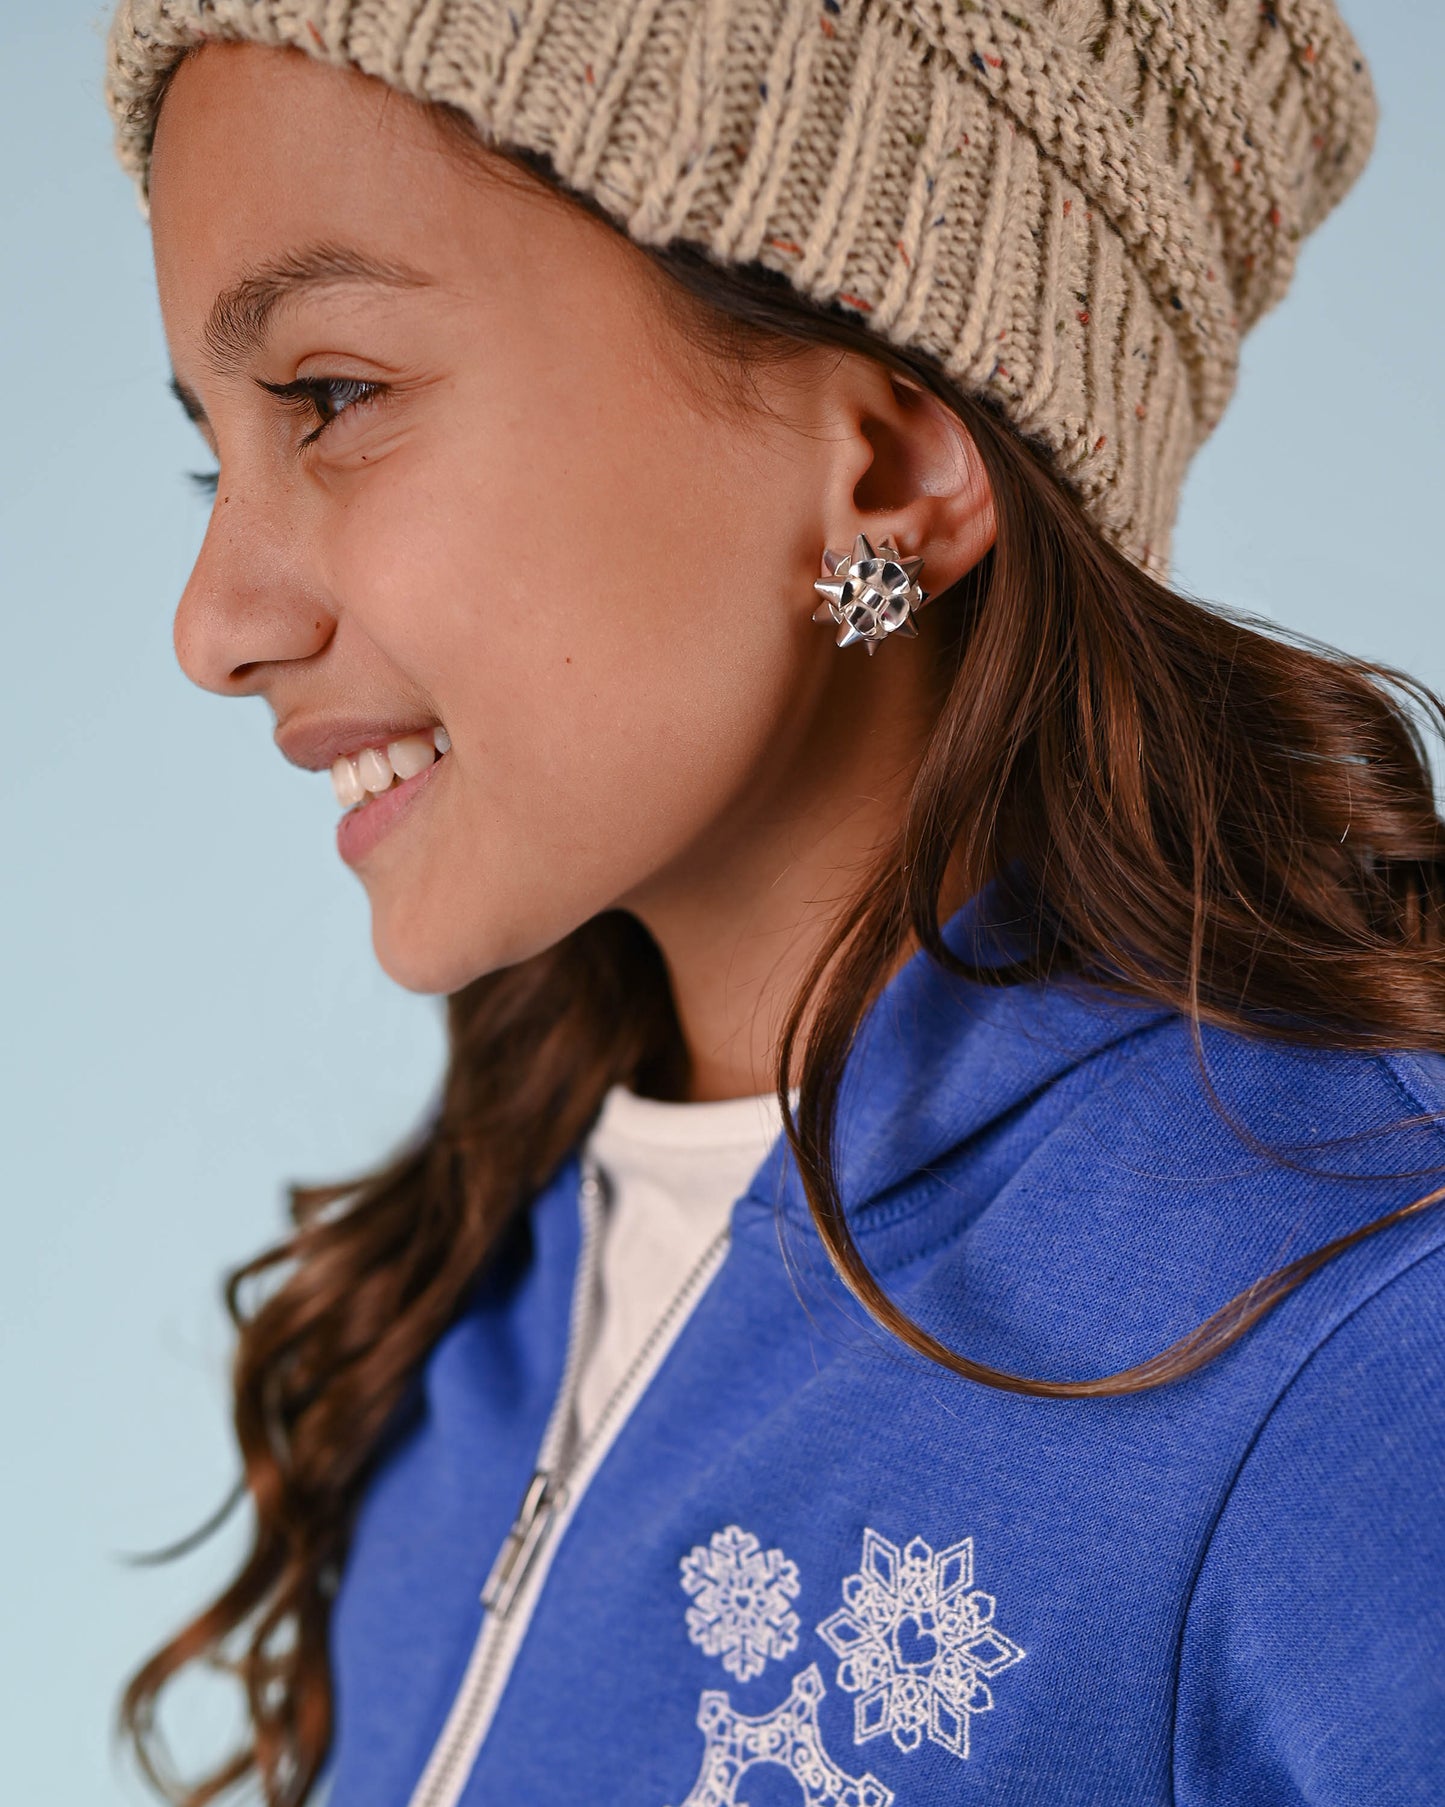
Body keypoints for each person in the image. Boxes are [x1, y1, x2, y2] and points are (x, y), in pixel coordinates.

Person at [103, 3, 1444, 1804]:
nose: (214, 624)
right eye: (214, 451)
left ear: (884, 468)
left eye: (331, 401)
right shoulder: (466, 1288)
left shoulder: (1362, 1340)